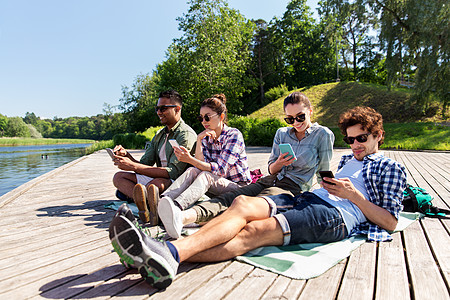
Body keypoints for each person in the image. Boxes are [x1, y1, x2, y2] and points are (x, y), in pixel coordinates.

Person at [108, 106, 408, 289]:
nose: (354, 144)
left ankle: (165, 254)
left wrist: (353, 196)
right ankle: (156, 256)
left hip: (336, 216)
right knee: (241, 204)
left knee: (253, 232)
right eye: (350, 139)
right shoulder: (347, 161)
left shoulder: (390, 166)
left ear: (378, 136)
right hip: (310, 198)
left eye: (362, 138)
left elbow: (391, 222)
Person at [158, 91, 335, 238]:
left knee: (246, 205)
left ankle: (192, 220)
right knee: (232, 198)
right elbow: (271, 168)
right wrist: (280, 163)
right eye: (290, 119)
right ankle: (180, 217)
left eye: (300, 117)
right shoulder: (282, 133)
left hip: (294, 186)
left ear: (310, 112)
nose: (296, 123)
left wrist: (323, 197)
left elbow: (324, 172)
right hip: (270, 179)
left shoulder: (322, 135)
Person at [154, 94, 252, 238]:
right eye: (201, 118)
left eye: (207, 117)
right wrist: (199, 140)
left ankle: (175, 210)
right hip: (216, 185)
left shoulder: (233, 135)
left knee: (205, 174)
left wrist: (190, 159)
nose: (204, 122)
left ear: (221, 116)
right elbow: (199, 166)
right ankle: (162, 204)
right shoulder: (206, 136)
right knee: (193, 170)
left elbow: (220, 170)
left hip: (239, 187)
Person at [111, 90, 197, 224]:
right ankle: (147, 203)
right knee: (119, 177)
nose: (158, 112)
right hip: (157, 178)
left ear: (177, 109)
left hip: (176, 181)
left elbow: (173, 172)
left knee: (154, 185)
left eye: (163, 108)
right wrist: (126, 156)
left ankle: (141, 200)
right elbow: (145, 164)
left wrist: (133, 166)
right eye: (157, 108)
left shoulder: (185, 134)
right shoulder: (159, 135)